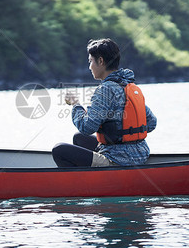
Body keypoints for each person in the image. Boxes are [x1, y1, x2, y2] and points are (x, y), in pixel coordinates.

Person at [52, 38, 157, 167]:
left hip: (118, 160)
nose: (89, 67)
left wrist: (75, 104)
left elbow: (86, 127)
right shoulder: (129, 86)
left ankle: (86, 185)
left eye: (90, 61)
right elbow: (151, 123)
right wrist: (119, 133)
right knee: (79, 138)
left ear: (100, 61)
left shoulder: (105, 90)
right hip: (141, 155)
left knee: (59, 150)